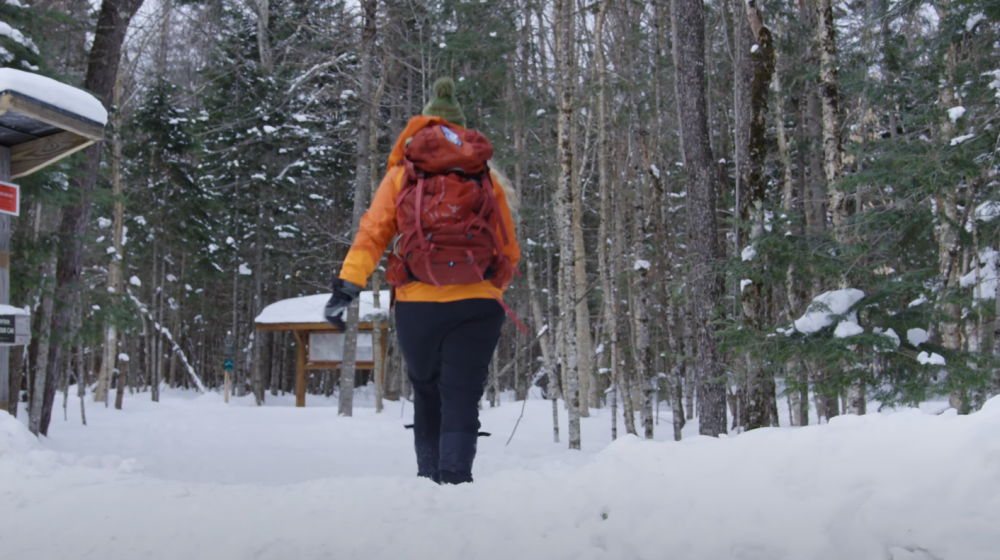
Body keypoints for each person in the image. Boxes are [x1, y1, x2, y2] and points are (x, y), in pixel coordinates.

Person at [324, 78, 521, 485]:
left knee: (428, 390)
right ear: (462, 130)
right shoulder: (486, 177)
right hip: (478, 302)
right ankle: (454, 480)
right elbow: (507, 246)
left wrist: (348, 285)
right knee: (462, 393)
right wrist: (490, 290)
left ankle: (428, 482)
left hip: (417, 302)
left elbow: (373, 231)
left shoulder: (403, 174)